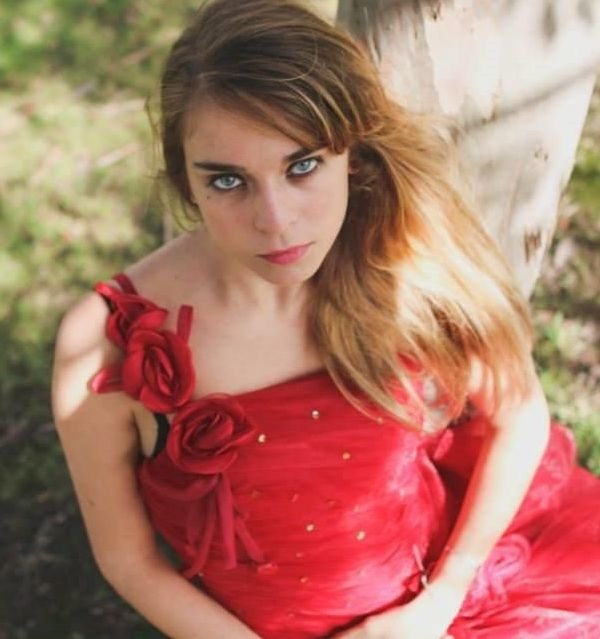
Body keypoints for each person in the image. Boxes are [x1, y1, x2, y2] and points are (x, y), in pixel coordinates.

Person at [51, 0, 600, 637]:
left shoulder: (406, 261)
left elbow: (519, 415)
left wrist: (440, 599)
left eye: (302, 166)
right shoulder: (107, 344)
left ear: (352, 154)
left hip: (435, 605)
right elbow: (130, 559)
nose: (276, 221)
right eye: (228, 181)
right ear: (184, 180)